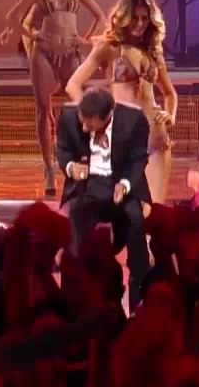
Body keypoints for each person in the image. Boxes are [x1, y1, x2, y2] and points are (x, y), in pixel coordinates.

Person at [2, 0, 104, 197]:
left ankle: (81, 161)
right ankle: (48, 168)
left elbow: (100, 16)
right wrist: (31, 35)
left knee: (81, 106)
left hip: (70, 54)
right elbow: (12, 17)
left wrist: (85, 40)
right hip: (44, 54)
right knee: (42, 110)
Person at [67, 0, 178, 204]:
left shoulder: (153, 52)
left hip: (156, 138)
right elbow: (74, 85)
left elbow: (169, 93)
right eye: (135, 18)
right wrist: (94, 119)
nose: (140, 23)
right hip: (123, 139)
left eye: (145, 18)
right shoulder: (110, 48)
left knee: (155, 210)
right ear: (124, 18)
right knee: (123, 210)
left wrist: (170, 115)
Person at [57, 87, 151, 309]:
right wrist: (70, 168)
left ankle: (138, 295)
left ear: (106, 117)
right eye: (81, 120)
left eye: (89, 124)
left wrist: (125, 185)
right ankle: (74, 295)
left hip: (119, 183)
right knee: (75, 217)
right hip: (86, 184)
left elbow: (138, 159)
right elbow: (62, 151)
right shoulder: (68, 117)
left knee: (135, 220)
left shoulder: (134, 120)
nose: (83, 127)